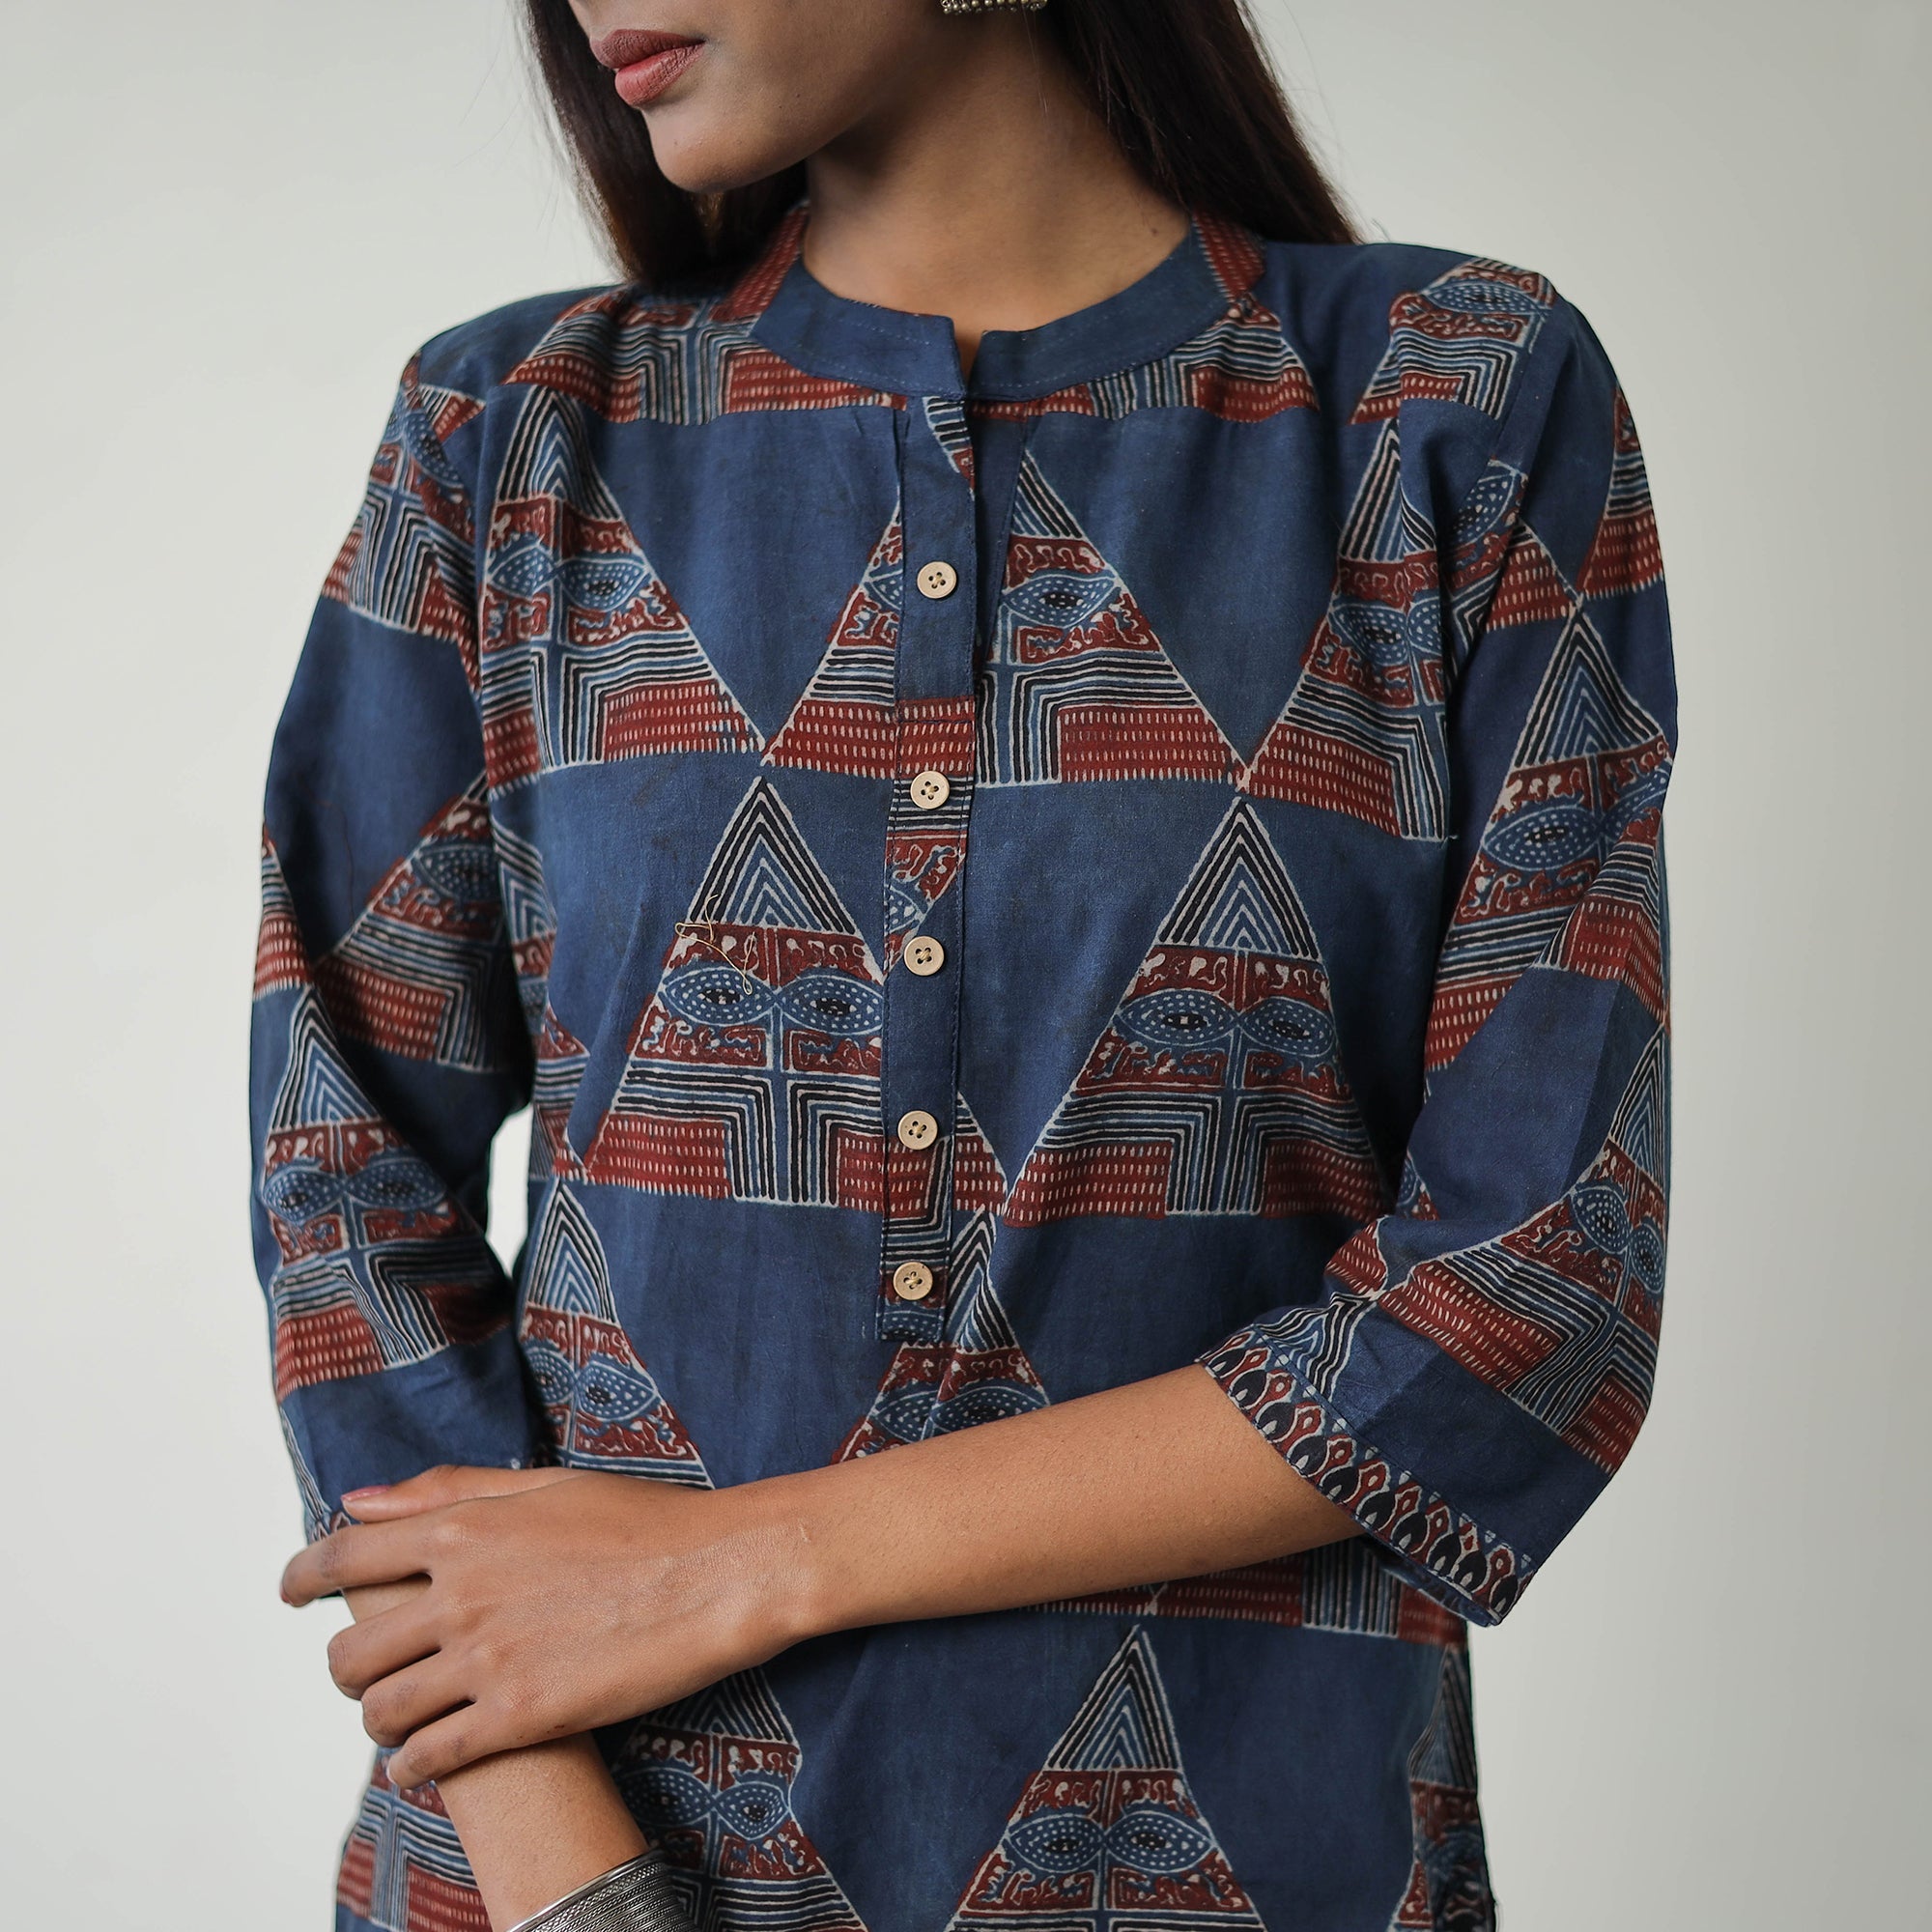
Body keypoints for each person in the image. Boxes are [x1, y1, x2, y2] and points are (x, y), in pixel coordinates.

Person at [252, 3, 1676, 1927]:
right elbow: (343, 1174)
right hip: (558, 1873)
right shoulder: (507, 436)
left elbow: (1531, 1292)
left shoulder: (1445, 406)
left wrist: (750, 1561)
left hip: (1249, 1869)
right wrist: (556, 1860)